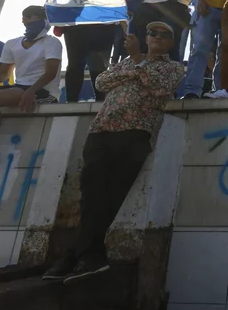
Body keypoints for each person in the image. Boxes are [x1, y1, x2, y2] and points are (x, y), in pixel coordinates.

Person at [42, 21, 183, 284]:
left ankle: (78, 255)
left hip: (135, 132)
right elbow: (103, 81)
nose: (157, 37)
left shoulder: (173, 67)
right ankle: (88, 256)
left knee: (111, 195)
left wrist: (138, 64)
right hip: (102, 130)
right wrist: (135, 69)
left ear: (171, 43)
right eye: (153, 32)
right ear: (147, 36)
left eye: (165, 35)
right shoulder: (126, 62)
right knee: (91, 196)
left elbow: (159, 87)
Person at [0, 6, 61, 164]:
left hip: (43, 91)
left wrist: (31, 91)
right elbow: (3, 74)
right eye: (37, 18)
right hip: (19, 88)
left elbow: (51, 73)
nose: (43, 23)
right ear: (25, 20)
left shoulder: (52, 42)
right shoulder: (12, 43)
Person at [58, 0, 123, 102]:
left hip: (102, 29)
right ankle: (71, 101)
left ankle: (100, 101)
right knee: (75, 64)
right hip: (77, 28)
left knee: (98, 66)